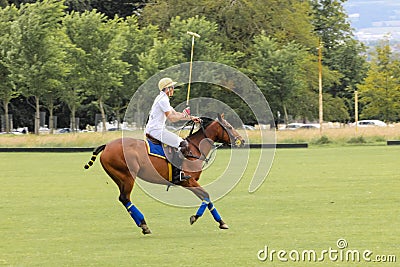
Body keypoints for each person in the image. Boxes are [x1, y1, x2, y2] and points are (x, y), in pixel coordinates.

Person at [145, 77, 200, 183]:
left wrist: (190, 117)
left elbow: (175, 114)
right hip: (156, 131)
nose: (173, 89)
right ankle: (177, 175)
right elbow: (172, 118)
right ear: (167, 88)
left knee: (179, 144)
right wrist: (184, 115)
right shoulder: (163, 100)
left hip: (155, 129)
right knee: (183, 144)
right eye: (172, 87)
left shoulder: (163, 99)